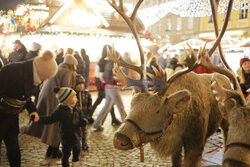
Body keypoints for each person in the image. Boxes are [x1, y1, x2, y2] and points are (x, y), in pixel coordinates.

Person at [0, 50, 58, 167]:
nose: (47, 79)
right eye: (46, 76)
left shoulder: (35, 76)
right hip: (1, 115)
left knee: (14, 149)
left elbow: (26, 98)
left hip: (12, 118)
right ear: (41, 71)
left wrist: (32, 110)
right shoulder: (13, 70)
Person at [23, 54, 78, 159]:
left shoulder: (59, 67)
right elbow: (65, 88)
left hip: (45, 95)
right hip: (55, 98)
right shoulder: (67, 71)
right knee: (57, 124)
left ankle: (51, 149)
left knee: (52, 122)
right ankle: (54, 150)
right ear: (72, 64)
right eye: (75, 65)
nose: (76, 67)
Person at [36, 87, 87, 167]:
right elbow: (50, 119)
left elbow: (82, 117)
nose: (76, 98)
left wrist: (83, 121)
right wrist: (39, 119)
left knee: (77, 149)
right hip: (66, 136)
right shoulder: (61, 111)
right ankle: (65, 164)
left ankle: (75, 162)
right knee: (66, 153)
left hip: (77, 135)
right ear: (68, 100)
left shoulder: (77, 108)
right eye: (74, 96)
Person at [93, 46, 127, 131]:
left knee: (107, 107)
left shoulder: (109, 63)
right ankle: (127, 126)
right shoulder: (113, 64)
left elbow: (105, 76)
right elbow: (114, 77)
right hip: (112, 87)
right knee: (121, 107)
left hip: (108, 86)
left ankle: (97, 123)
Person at [75, 75, 91, 150]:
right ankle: (77, 142)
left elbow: (89, 103)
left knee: (84, 130)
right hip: (76, 116)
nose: (81, 86)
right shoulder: (73, 94)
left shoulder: (86, 93)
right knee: (76, 130)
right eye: (79, 84)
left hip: (84, 115)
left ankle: (84, 142)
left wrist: (88, 112)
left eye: (82, 84)